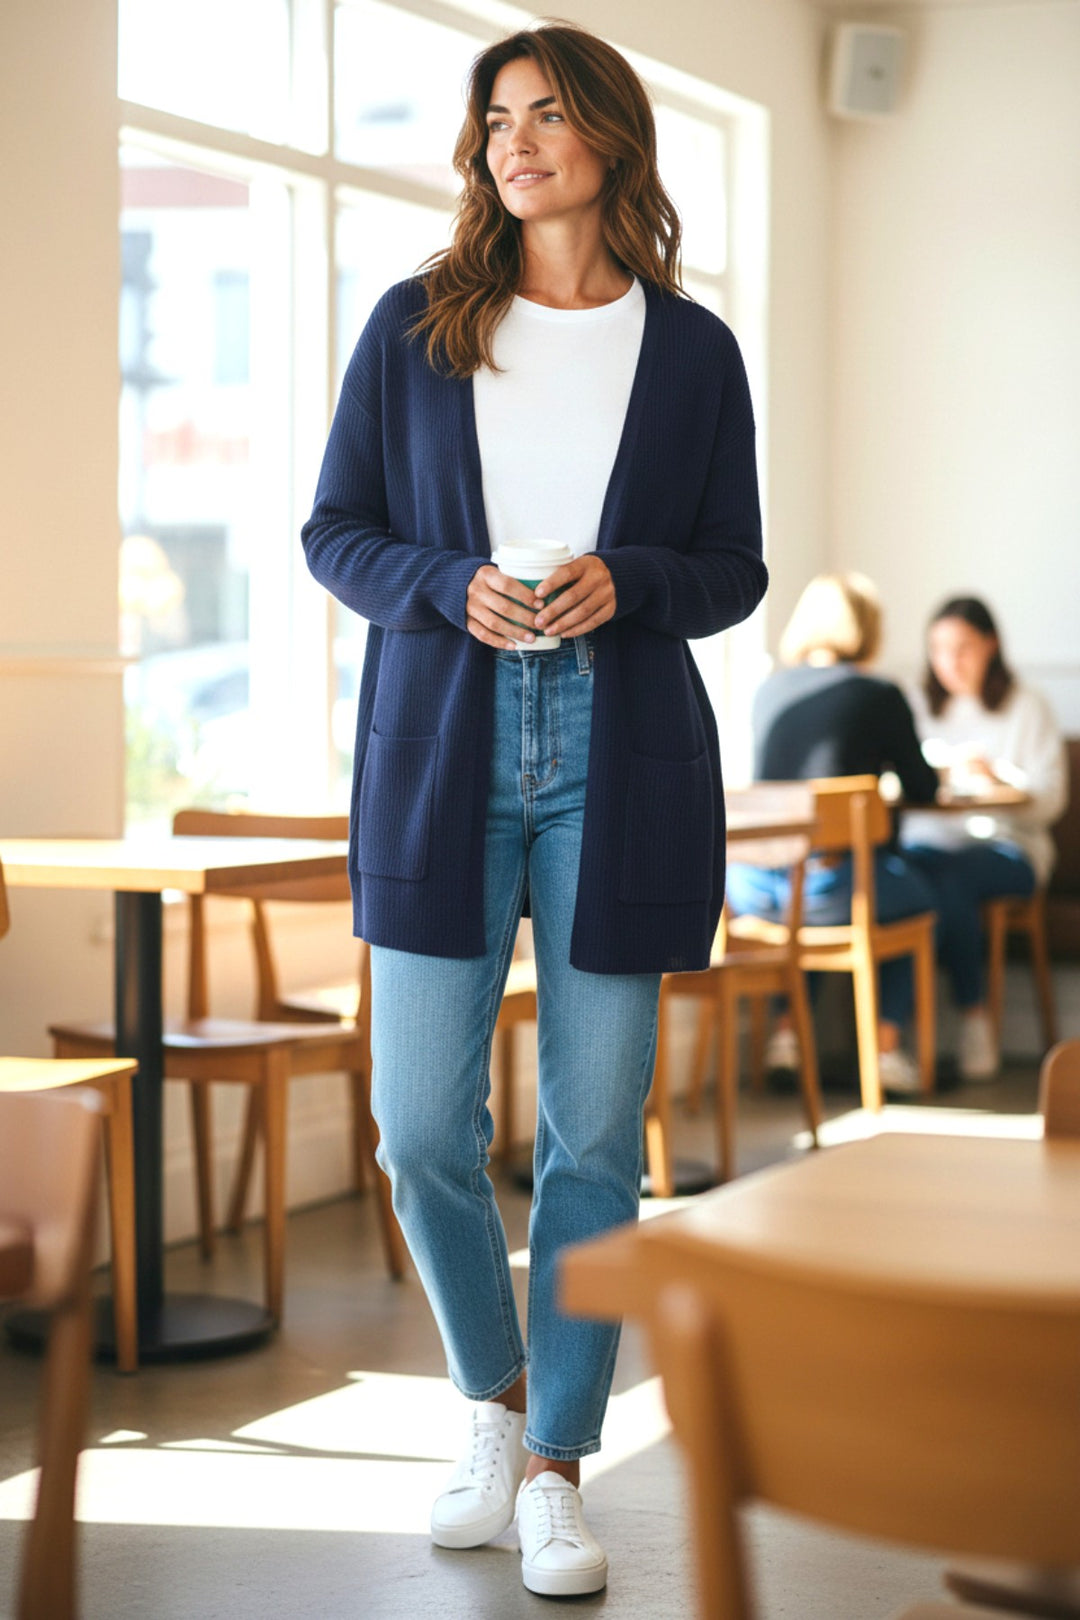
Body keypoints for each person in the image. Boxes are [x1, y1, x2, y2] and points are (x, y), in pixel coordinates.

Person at [301, 21, 766, 1597]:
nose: (516, 140)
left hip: (620, 742)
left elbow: (736, 566)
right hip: (442, 735)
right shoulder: (416, 325)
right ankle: (488, 1404)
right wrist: (448, 584)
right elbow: (334, 531)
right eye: (496, 116)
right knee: (419, 1127)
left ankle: (560, 1457)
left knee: (590, 1136)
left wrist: (628, 579)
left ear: (612, 140)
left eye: (548, 114)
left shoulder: (690, 351)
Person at [725, 572, 940, 1095]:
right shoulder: (879, 694)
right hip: (833, 889)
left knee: (813, 883)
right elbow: (924, 787)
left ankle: (785, 1036)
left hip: (751, 888)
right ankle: (887, 1050)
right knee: (916, 897)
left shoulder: (768, 691)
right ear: (868, 629)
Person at [900, 596, 1068, 1080]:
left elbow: (1051, 800)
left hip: (1010, 846)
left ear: (990, 646)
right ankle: (896, 1035)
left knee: (952, 880)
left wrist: (998, 779)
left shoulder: (1026, 706)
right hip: (930, 841)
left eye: (963, 648)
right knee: (901, 879)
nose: (950, 662)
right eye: (939, 649)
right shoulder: (917, 705)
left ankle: (973, 1020)